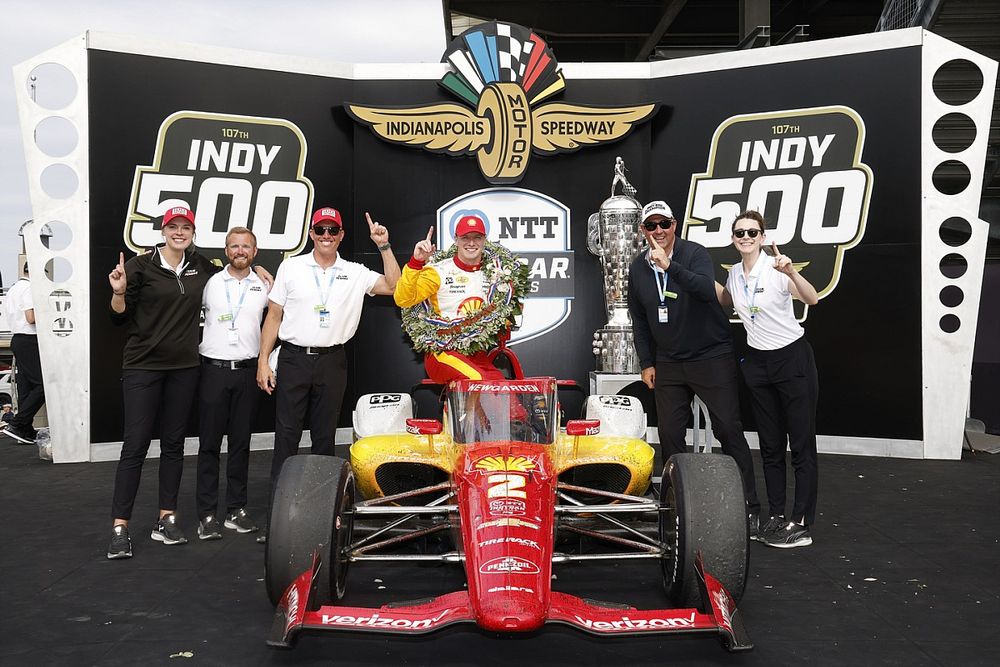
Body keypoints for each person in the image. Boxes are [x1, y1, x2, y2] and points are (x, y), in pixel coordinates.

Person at [105, 206, 272, 559]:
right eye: (173, 227)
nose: (179, 232)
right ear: (164, 231)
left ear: (193, 233)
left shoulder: (202, 269)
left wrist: (258, 270)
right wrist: (118, 292)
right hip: (143, 367)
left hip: (183, 369)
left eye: (185, 227)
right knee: (135, 445)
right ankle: (120, 527)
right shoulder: (140, 265)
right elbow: (118, 316)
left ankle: (166, 519)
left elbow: (237, 270)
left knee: (174, 446)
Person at [256, 208, 400, 542]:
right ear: (311, 233)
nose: (326, 236)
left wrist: (384, 246)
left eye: (332, 230)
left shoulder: (354, 272)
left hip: (332, 361)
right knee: (286, 439)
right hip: (293, 358)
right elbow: (274, 315)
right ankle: (277, 519)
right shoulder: (292, 266)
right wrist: (263, 361)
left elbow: (394, 286)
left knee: (324, 440)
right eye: (320, 230)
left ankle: (320, 517)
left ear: (341, 235)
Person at [627, 200, 761, 531]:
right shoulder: (638, 268)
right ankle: (677, 507)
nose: (659, 230)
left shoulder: (694, 253)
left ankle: (749, 506)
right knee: (670, 433)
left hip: (710, 354)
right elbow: (640, 319)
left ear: (675, 225)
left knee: (727, 428)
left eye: (664, 224)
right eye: (651, 225)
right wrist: (647, 362)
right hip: (669, 360)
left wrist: (669, 266)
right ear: (643, 230)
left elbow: (705, 290)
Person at [718, 210, 819, 549]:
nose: (746, 237)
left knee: (801, 445)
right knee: (770, 445)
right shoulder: (734, 274)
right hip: (758, 364)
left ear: (762, 237)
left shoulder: (777, 268)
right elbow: (724, 298)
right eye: (740, 233)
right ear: (733, 239)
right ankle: (776, 515)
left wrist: (791, 272)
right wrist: (685, 273)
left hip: (792, 359)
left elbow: (812, 298)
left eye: (752, 232)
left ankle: (800, 523)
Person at [194, 227, 269, 540]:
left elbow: (279, 322)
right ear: (226, 251)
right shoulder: (209, 282)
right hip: (213, 371)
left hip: (247, 373)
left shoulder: (264, 285)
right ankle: (207, 514)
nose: (240, 251)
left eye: (246, 246)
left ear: (254, 251)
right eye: (235, 246)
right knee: (209, 445)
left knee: (241, 444)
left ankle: (236, 510)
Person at [393, 214, 526, 383]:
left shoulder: (497, 274)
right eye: (465, 238)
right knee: (477, 381)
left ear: (484, 240)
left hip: (477, 355)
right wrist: (416, 263)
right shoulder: (438, 271)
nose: (471, 243)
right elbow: (403, 299)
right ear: (456, 240)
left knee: (499, 387)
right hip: (443, 352)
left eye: (477, 237)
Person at [1, 265, 45, 445]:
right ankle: (18, 424)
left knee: (25, 388)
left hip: (18, 339)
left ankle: (25, 430)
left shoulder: (14, 288)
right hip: (30, 339)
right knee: (43, 385)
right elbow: (31, 318)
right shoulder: (29, 288)